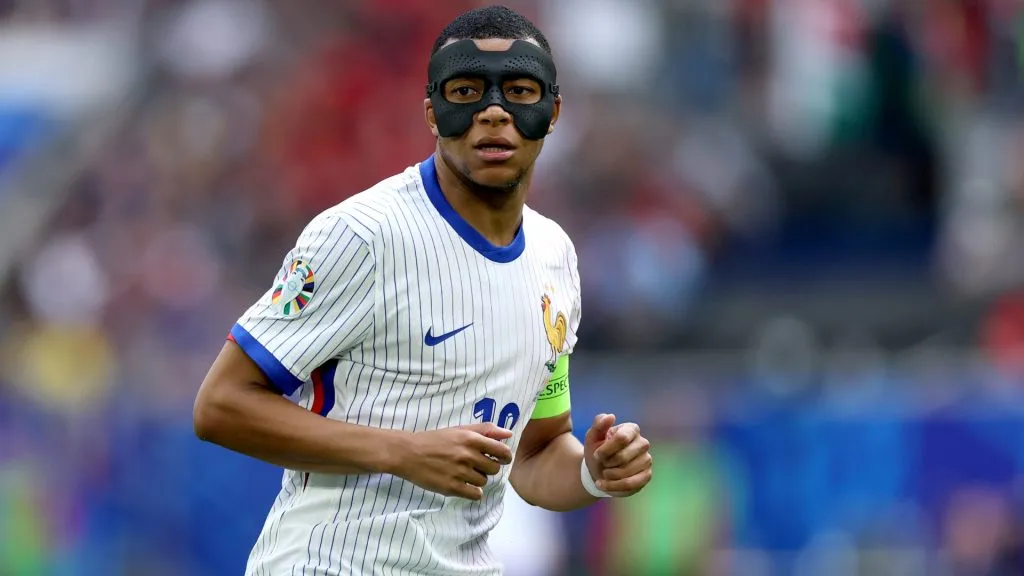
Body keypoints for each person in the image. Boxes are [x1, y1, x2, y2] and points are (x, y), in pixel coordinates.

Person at [193, 5, 653, 575]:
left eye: (518, 91)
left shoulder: (555, 258)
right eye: (466, 92)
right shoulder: (362, 235)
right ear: (432, 112)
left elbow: (533, 455)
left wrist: (592, 473)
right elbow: (220, 406)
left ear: (553, 111)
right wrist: (402, 451)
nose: (492, 113)